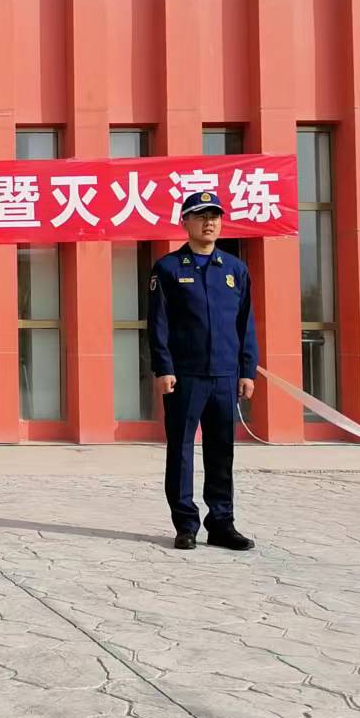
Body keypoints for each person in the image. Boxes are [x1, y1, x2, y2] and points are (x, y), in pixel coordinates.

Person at [147, 188, 259, 552]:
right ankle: (186, 524)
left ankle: (222, 523)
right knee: (181, 450)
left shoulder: (235, 270)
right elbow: (158, 324)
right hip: (185, 375)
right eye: (201, 216)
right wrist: (163, 367)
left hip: (225, 376)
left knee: (221, 450)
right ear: (185, 222)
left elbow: (246, 324)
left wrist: (247, 370)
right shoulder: (168, 268)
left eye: (214, 216)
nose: (209, 223)